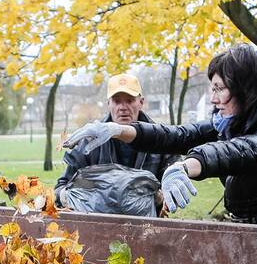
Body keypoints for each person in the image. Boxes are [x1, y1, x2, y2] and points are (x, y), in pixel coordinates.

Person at [62, 44, 257, 226]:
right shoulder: (232, 123)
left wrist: (185, 167)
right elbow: (177, 135)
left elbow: (236, 152)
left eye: (220, 89)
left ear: (245, 89)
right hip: (245, 227)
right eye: (213, 89)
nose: (213, 98)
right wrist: (117, 130)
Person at [54, 73, 175, 205]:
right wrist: (69, 196)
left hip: (146, 223)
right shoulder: (89, 141)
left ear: (141, 103)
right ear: (108, 104)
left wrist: (161, 198)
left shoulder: (160, 139)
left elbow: (173, 186)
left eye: (129, 100)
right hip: (100, 221)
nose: (123, 107)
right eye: (117, 101)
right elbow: (61, 188)